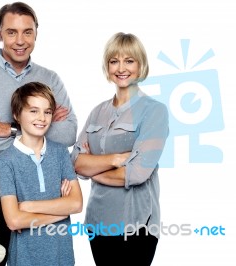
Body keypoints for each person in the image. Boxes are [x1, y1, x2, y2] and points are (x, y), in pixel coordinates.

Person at [0, 2, 77, 265]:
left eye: (28, 32)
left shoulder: (51, 78)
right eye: (11, 32)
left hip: (44, 197)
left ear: (37, 33)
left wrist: (7, 129)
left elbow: (69, 132)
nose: (20, 40)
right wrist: (36, 134)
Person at [71, 32, 169, 266]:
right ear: (107, 67)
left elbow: (137, 173)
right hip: (97, 222)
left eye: (129, 60)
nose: (121, 68)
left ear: (140, 65)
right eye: (114, 61)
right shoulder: (97, 112)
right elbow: (75, 161)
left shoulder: (154, 111)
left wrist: (92, 167)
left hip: (136, 224)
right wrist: (116, 159)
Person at [0, 82, 83, 266]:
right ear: (17, 115)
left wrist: (27, 206)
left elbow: (76, 204)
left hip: (62, 256)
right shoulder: (6, 160)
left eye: (48, 111)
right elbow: (13, 221)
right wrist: (60, 212)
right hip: (25, 258)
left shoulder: (61, 153)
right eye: (33, 111)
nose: (42, 118)